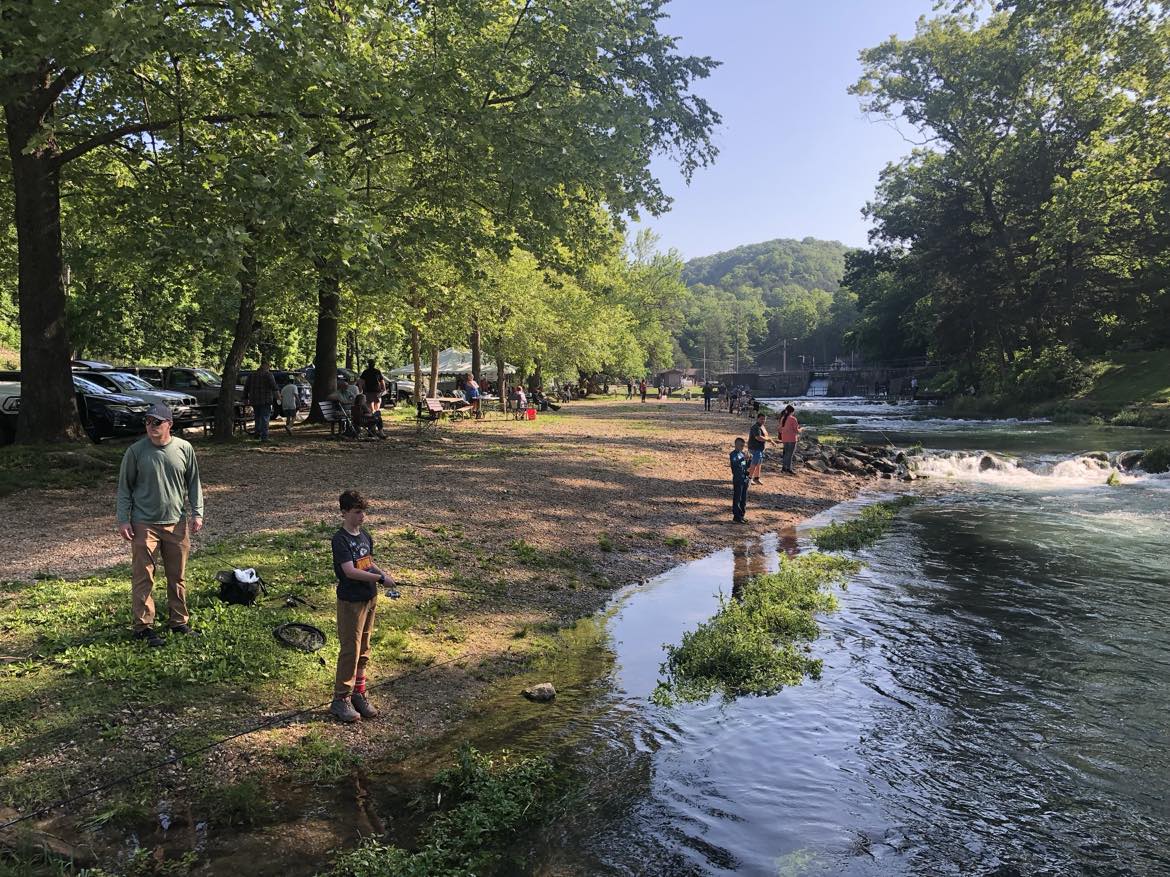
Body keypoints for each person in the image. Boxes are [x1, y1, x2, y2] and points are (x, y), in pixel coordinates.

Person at [116, 402, 204, 646]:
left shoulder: (184, 448)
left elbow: (194, 483)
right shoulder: (135, 452)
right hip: (144, 523)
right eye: (147, 421)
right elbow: (125, 488)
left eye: (157, 422)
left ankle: (179, 622)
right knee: (143, 575)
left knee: (178, 575)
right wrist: (124, 519)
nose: (151, 426)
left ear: (169, 425)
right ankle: (143, 627)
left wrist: (198, 513)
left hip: (176, 522)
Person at [330, 489, 393, 723]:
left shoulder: (364, 535)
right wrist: (378, 579)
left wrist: (383, 576)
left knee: (364, 648)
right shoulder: (340, 540)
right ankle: (340, 699)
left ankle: (359, 692)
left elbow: (368, 563)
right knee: (351, 649)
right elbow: (350, 571)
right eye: (357, 512)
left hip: (370, 597)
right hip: (351, 601)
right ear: (344, 513)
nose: (362, 516)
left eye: (363, 512)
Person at [243, 358, 278, 442]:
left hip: (254, 400)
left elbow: (246, 387)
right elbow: (274, 387)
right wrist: (279, 397)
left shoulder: (251, 375)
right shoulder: (268, 375)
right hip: (265, 400)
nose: (269, 368)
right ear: (265, 365)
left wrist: (245, 398)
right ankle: (264, 437)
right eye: (269, 366)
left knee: (257, 417)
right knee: (265, 418)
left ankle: (257, 434)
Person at [747, 411, 771, 485]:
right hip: (754, 448)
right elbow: (758, 437)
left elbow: (766, 436)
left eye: (764, 419)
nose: (763, 420)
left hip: (760, 449)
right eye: (761, 419)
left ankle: (757, 478)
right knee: (753, 464)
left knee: (759, 464)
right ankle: (749, 479)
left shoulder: (762, 427)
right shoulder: (755, 427)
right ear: (757, 419)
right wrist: (767, 440)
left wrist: (772, 441)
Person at [730, 437, 750, 523]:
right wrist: (743, 458)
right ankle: (736, 516)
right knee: (737, 498)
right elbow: (735, 463)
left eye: (743, 446)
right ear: (736, 445)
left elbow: (745, 466)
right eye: (741, 445)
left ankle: (742, 515)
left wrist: (749, 459)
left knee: (743, 498)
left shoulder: (742, 454)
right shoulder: (733, 454)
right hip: (738, 479)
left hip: (744, 478)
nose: (742, 447)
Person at [778, 404, 801, 475]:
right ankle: (788, 469)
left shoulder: (783, 418)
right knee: (790, 454)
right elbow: (796, 431)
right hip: (792, 438)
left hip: (785, 438)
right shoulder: (793, 419)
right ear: (792, 412)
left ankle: (784, 468)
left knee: (786, 453)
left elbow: (780, 429)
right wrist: (801, 429)